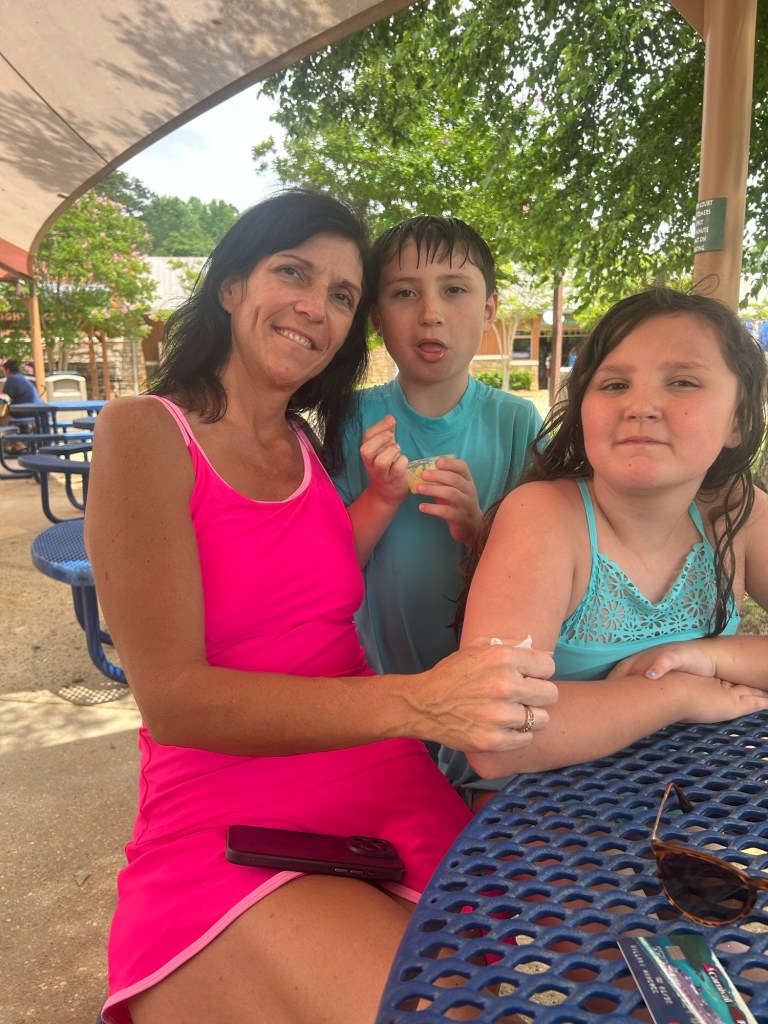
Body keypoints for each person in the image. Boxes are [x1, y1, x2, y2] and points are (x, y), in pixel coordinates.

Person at [84, 190, 557, 1024]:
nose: (317, 305)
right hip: (232, 797)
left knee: (519, 977)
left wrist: (375, 504)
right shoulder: (145, 432)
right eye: (293, 272)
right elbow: (173, 699)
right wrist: (418, 700)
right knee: (444, 1005)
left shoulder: (304, 441)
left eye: (341, 294)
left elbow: (303, 582)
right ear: (231, 285)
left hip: (377, 772)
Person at [446, 285, 768, 808]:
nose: (640, 406)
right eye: (614, 384)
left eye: (682, 382)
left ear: (739, 420)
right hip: (536, 816)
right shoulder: (545, 517)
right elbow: (494, 736)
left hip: (692, 797)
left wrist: (704, 657)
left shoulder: (737, 511)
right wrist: (675, 693)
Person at [333, 215, 543, 675]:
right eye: (405, 293)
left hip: (485, 681)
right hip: (378, 686)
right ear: (377, 319)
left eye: (454, 289)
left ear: (489, 309)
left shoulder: (517, 423)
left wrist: (475, 527)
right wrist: (380, 498)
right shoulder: (348, 420)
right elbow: (331, 569)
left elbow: (541, 573)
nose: (430, 312)